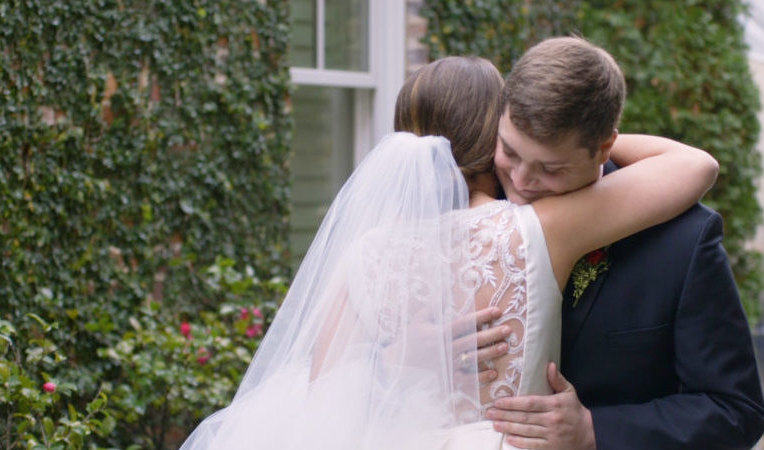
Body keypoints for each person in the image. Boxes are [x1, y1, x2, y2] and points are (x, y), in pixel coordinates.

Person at [181, 55, 718, 449]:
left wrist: (396, 357)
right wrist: (593, 139)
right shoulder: (540, 228)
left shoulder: (362, 252)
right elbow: (695, 167)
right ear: (494, 137)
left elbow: (319, 398)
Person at [483, 37, 764, 449]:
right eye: (509, 151)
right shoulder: (471, 205)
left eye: (551, 168)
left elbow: (736, 411)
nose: (521, 183)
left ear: (603, 148)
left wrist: (595, 431)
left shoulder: (684, 240)